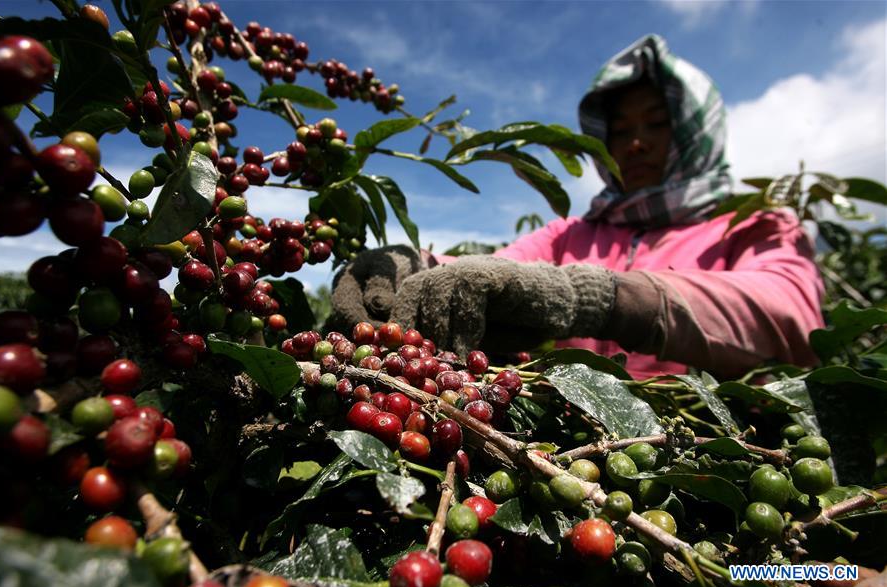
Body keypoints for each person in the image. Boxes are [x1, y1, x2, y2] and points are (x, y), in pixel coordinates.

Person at [328, 34, 825, 380]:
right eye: (621, 131)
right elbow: (491, 272)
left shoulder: (753, 224)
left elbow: (788, 312)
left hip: (704, 456)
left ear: (696, 132)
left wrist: (612, 299)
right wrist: (411, 264)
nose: (635, 144)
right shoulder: (571, 234)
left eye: (656, 124)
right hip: (575, 452)